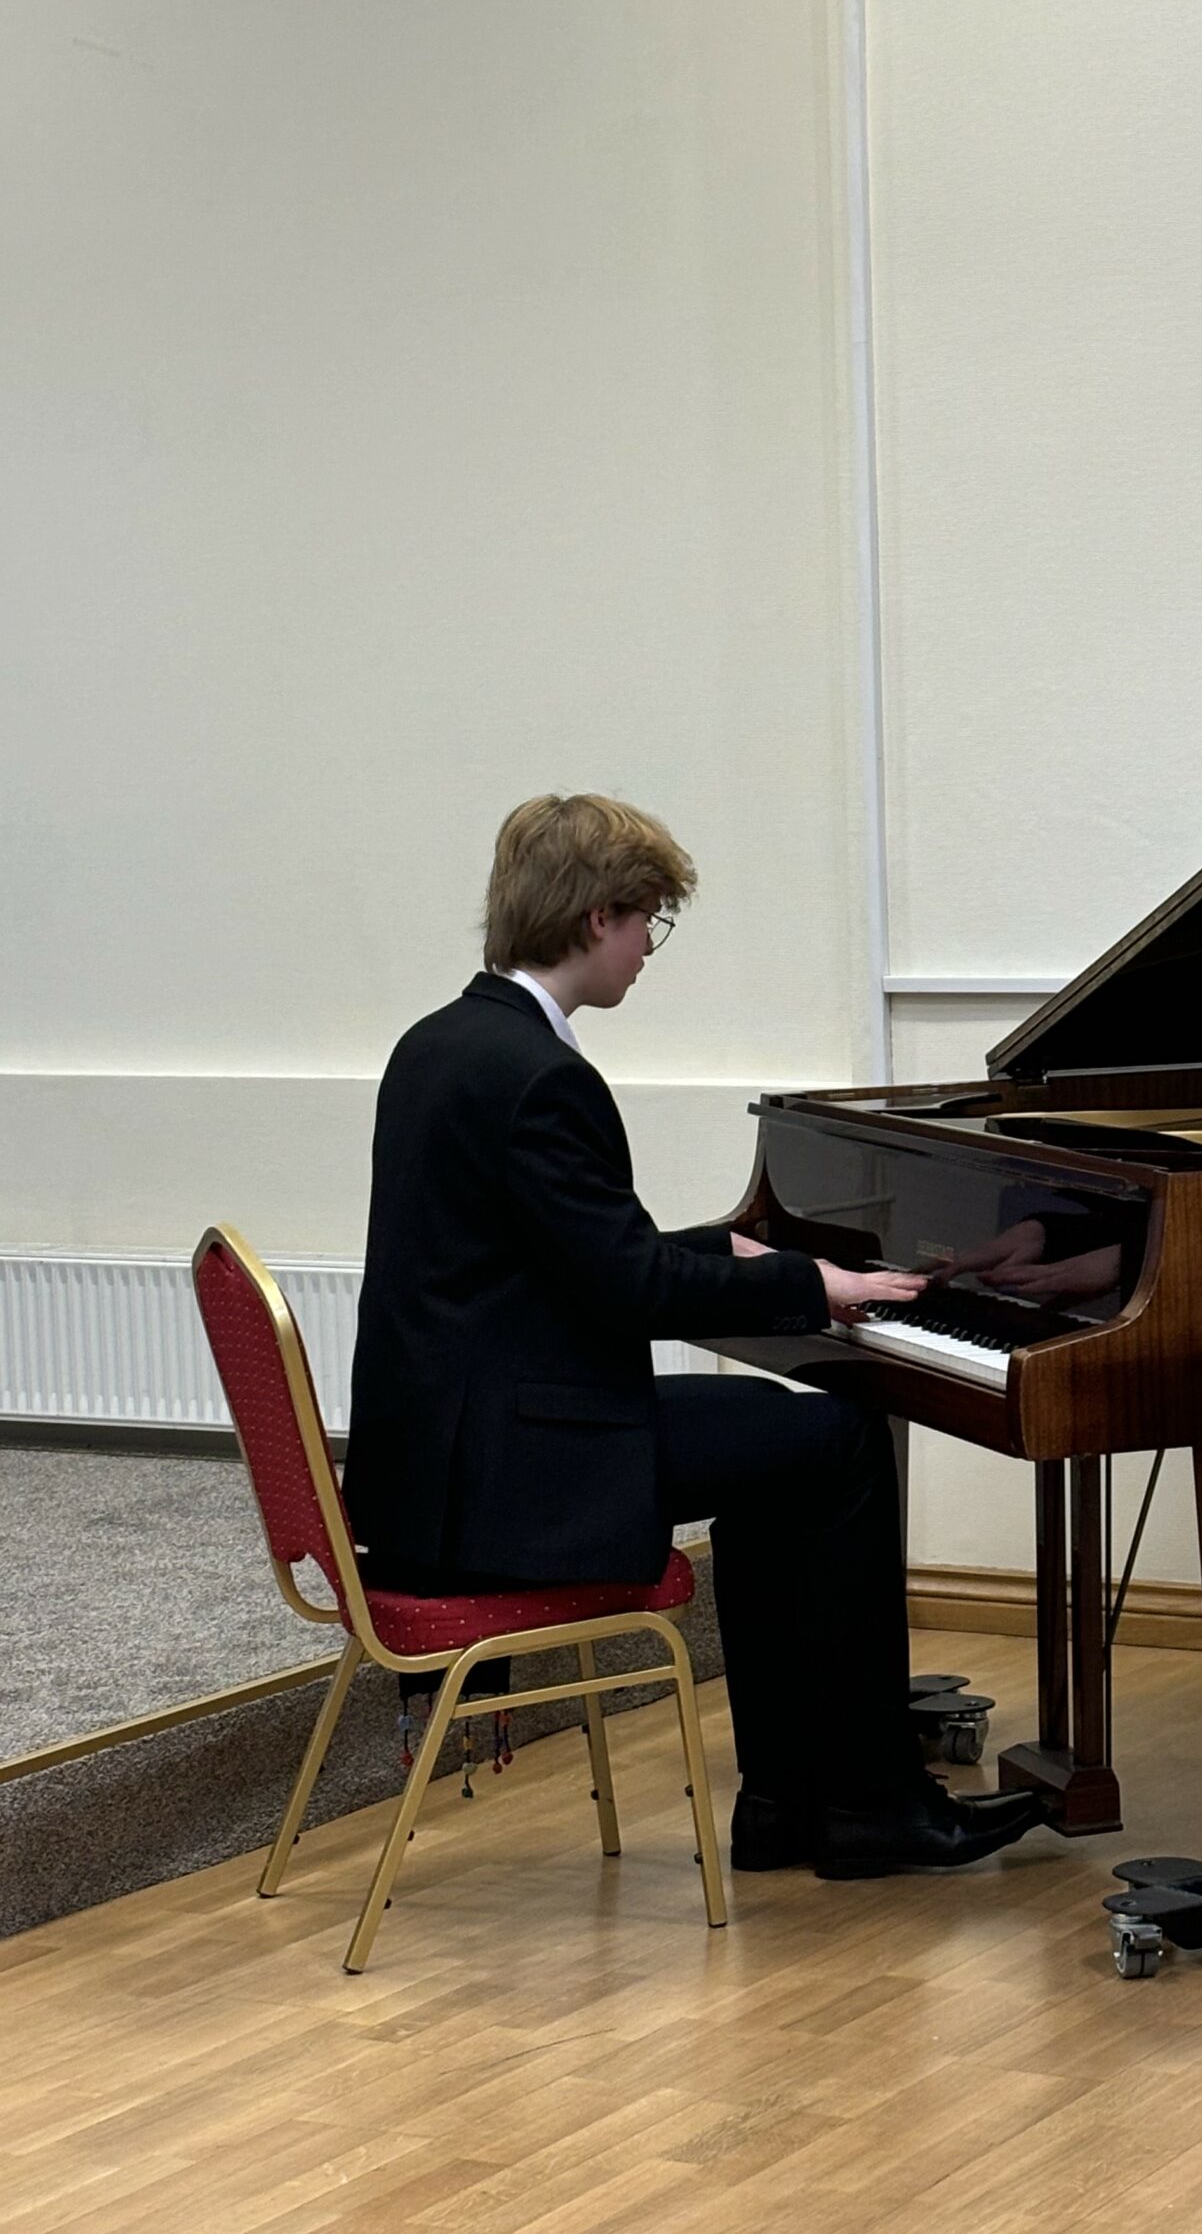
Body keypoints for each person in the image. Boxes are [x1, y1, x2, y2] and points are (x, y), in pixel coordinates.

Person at [344, 793, 1041, 1879]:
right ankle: (866, 1804)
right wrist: (812, 1284)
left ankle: (785, 1804)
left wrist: (729, 1253)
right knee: (841, 1442)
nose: (645, 951)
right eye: (647, 923)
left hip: (453, 1455)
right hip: (516, 1475)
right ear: (597, 919)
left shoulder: (441, 1044)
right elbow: (630, 1290)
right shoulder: (544, 1078)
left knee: (773, 1437)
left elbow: (557, 1259)